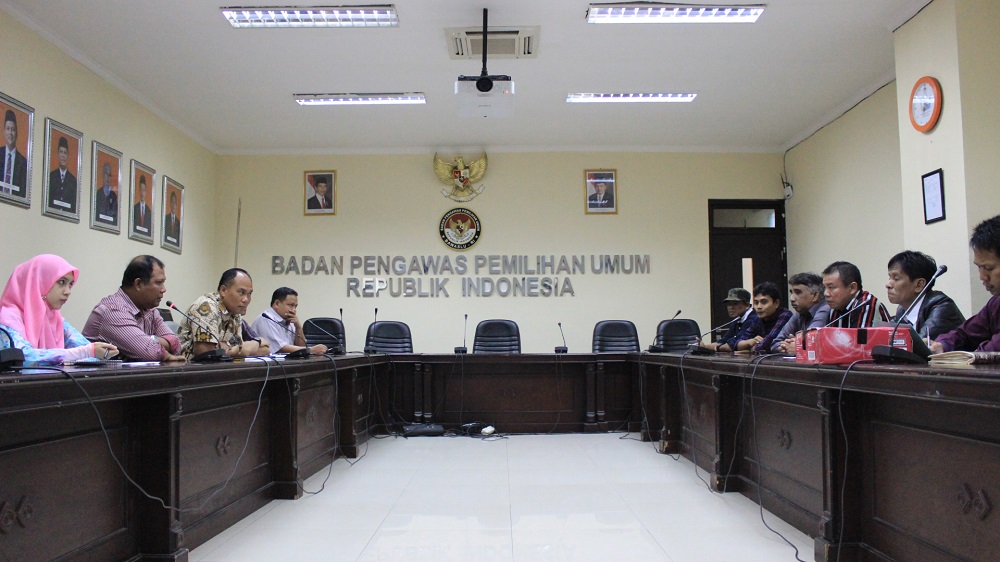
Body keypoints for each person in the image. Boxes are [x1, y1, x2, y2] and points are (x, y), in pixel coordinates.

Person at [0, 254, 117, 365]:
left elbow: (85, 348)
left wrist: (102, 351)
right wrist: (85, 352)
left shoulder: (55, 317)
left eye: (70, 284)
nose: (68, 292)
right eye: (62, 282)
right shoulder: (8, 317)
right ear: (38, 281)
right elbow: (21, 356)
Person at [83, 255, 184, 362]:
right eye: (159, 283)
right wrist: (154, 345)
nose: (164, 289)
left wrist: (150, 340)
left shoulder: (150, 310)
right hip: (97, 373)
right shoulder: (113, 310)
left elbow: (176, 344)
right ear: (138, 284)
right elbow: (151, 352)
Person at [932, 215, 1000, 353]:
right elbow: (966, 334)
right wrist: (942, 345)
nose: (982, 277)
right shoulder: (995, 303)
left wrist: (974, 354)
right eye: (979, 267)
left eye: (988, 268)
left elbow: (994, 348)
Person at [178, 268, 270, 359]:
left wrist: (250, 345)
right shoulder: (206, 307)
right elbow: (206, 353)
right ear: (223, 291)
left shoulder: (235, 313)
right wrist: (238, 350)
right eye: (241, 292)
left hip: (220, 366)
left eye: (249, 294)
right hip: (188, 366)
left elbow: (265, 349)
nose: (246, 299)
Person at [885, 250, 964, 339]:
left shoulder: (941, 306)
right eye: (889, 277)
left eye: (896, 278)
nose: (888, 285)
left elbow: (921, 344)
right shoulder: (902, 310)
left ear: (919, 285)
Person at [251, 287, 327, 355]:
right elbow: (279, 348)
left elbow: (301, 347)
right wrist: (311, 350)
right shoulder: (266, 319)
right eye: (291, 305)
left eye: (295, 306)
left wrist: (298, 327)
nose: (294, 310)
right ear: (277, 304)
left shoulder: (289, 319)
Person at [771, 272, 831, 354]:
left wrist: (797, 346)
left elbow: (810, 342)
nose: (791, 299)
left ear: (815, 295)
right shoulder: (800, 312)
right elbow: (775, 343)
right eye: (791, 292)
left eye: (798, 292)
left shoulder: (825, 309)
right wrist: (786, 346)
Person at [822, 261, 889, 328]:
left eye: (831, 287)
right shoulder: (836, 306)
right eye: (824, 287)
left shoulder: (866, 304)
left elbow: (860, 335)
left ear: (852, 288)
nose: (825, 293)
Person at [735, 281, 793, 352]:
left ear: (776, 303)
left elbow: (769, 343)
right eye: (756, 302)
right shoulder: (758, 319)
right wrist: (750, 342)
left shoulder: (785, 316)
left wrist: (752, 348)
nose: (759, 307)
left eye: (764, 302)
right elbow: (737, 343)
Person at [700, 288, 758, 352]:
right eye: (729, 304)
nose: (731, 307)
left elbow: (733, 344)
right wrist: (704, 347)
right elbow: (723, 340)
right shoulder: (737, 320)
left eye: (735, 304)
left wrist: (717, 348)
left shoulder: (753, 319)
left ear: (747, 305)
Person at [1, 109, 28, 195]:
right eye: (8, 129)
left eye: (13, 129)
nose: (10, 133)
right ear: (4, 131)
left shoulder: (23, 163)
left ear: (17, 133)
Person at [48, 136, 77, 212]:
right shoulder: (51, 176)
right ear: (58, 154)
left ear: (68, 156)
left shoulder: (73, 180)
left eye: (65, 153)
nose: (63, 156)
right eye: (61, 152)